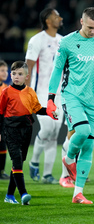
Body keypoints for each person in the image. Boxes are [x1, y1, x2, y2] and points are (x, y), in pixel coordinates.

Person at [47, 7, 94, 204]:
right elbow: (57, 70)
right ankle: (68, 160)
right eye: (91, 27)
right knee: (83, 131)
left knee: (87, 146)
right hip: (72, 96)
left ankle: (78, 193)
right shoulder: (67, 42)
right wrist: (51, 98)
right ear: (81, 22)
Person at [0, 61, 57, 205]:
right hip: (11, 129)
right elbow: (0, 113)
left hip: (26, 129)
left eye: (19, 74)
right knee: (17, 161)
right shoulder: (6, 92)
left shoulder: (30, 92)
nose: (16, 76)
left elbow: (37, 109)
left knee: (18, 163)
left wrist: (50, 112)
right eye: (13, 74)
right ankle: (23, 193)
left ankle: (9, 195)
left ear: (26, 76)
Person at [25, 8, 64, 184]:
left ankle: (47, 174)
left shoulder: (63, 41)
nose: (60, 18)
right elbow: (29, 67)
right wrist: (24, 92)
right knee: (47, 129)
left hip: (60, 95)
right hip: (40, 92)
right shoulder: (37, 40)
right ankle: (34, 161)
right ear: (48, 20)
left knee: (55, 133)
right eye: (56, 16)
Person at [0, 60, 10, 179]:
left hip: (3, 120)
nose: (5, 73)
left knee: (3, 146)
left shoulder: (5, 88)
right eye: (2, 70)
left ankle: (1, 171)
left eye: (6, 70)